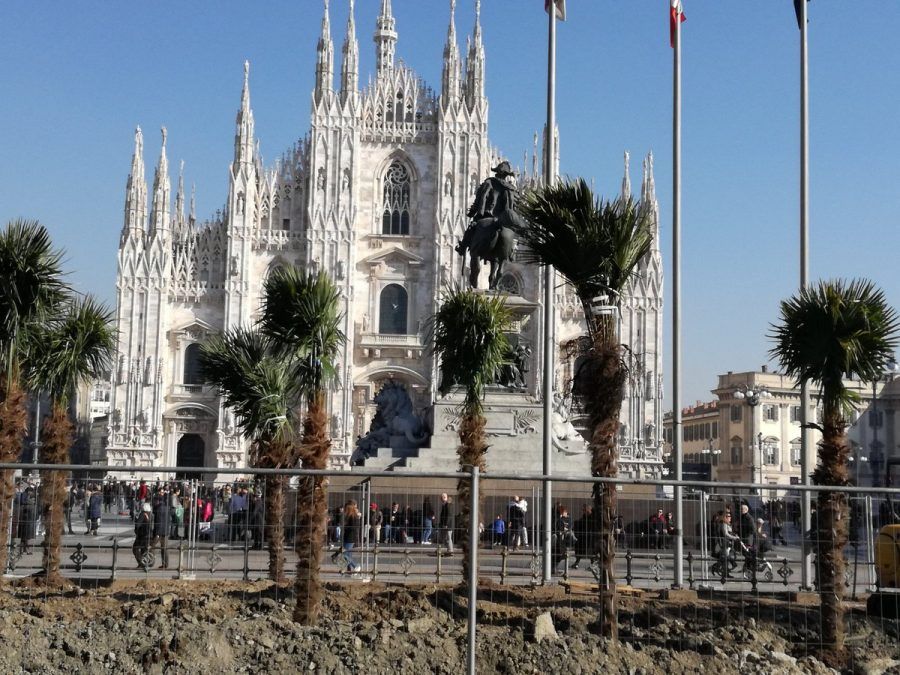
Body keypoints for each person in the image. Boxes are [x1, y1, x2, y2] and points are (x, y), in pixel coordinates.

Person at [712, 510, 742, 579]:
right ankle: (724, 573)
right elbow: (726, 534)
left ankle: (723, 570)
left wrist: (735, 535)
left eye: (730, 516)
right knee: (726, 558)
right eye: (728, 516)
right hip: (725, 544)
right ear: (725, 517)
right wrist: (735, 538)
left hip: (728, 543)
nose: (730, 517)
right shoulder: (724, 523)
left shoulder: (727, 523)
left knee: (728, 557)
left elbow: (729, 533)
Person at [337, 500, 362, 576]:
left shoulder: (353, 516)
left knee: (344, 554)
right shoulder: (349, 515)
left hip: (350, 538)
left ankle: (355, 566)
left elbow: (353, 528)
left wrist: (346, 527)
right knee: (348, 554)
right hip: (347, 537)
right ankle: (349, 571)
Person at [151, 488, 171, 569]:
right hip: (165, 531)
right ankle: (165, 564)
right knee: (164, 548)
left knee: (151, 546)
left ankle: (150, 562)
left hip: (159, 532)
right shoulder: (167, 508)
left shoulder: (158, 509)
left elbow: (158, 521)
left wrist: (157, 533)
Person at [572, 504, 596, 569]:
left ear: (588, 510)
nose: (583, 511)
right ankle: (577, 562)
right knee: (579, 548)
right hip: (583, 537)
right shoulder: (584, 517)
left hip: (590, 538)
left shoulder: (593, 518)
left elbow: (592, 526)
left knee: (591, 551)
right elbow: (581, 523)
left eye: (584, 510)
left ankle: (592, 564)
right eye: (583, 510)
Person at [18, 484, 38, 555]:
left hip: (26, 518)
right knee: (26, 536)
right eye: (31, 492)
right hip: (26, 519)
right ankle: (26, 550)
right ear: (29, 491)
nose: (31, 494)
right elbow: (23, 502)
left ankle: (23, 550)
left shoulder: (26, 495)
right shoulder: (24, 494)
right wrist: (30, 502)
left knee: (24, 537)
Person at [133, 502, 153, 568]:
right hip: (149, 535)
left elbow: (138, 524)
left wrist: (136, 520)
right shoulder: (151, 515)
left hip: (142, 535)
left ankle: (141, 563)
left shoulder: (142, 514)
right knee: (143, 550)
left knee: (135, 548)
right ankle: (144, 564)